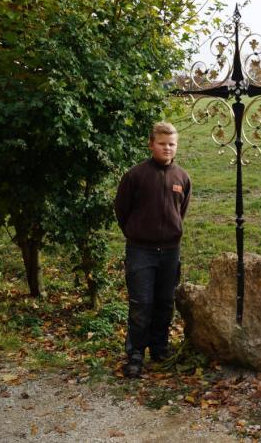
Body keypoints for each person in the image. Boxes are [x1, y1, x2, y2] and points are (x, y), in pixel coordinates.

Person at [114, 121, 191, 378]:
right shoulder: (135, 175)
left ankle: (159, 347)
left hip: (170, 250)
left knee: (164, 302)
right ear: (151, 145)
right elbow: (122, 210)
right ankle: (135, 354)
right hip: (140, 250)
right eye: (162, 143)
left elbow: (181, 211)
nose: (167, 148)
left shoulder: (182, 177)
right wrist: (137, 233)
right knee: (141, 303)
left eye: (171, 144)